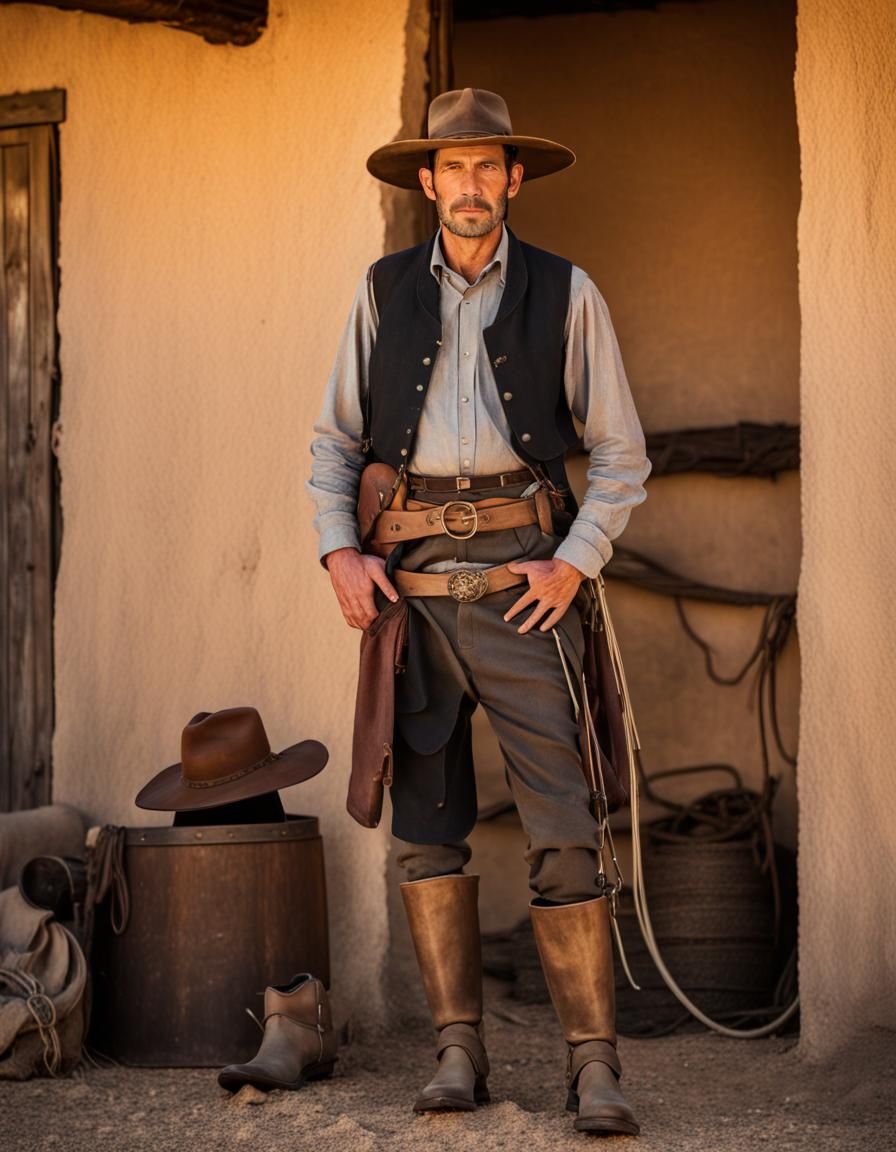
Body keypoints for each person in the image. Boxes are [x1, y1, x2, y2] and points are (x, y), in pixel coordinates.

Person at [307, 87, 649, 1136]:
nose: (467, 186)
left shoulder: (565, 290)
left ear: (511, 179)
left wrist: (574, 565)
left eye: (485, 167)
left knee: (562, 829)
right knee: (425, 831)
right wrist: (339, 551)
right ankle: (456, 1051)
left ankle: (591, 1066)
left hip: (521, 592)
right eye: (449, 169)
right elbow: (334, 442)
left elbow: (622, 455)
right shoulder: (379, 292)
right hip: (409, 599)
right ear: (427, 183)